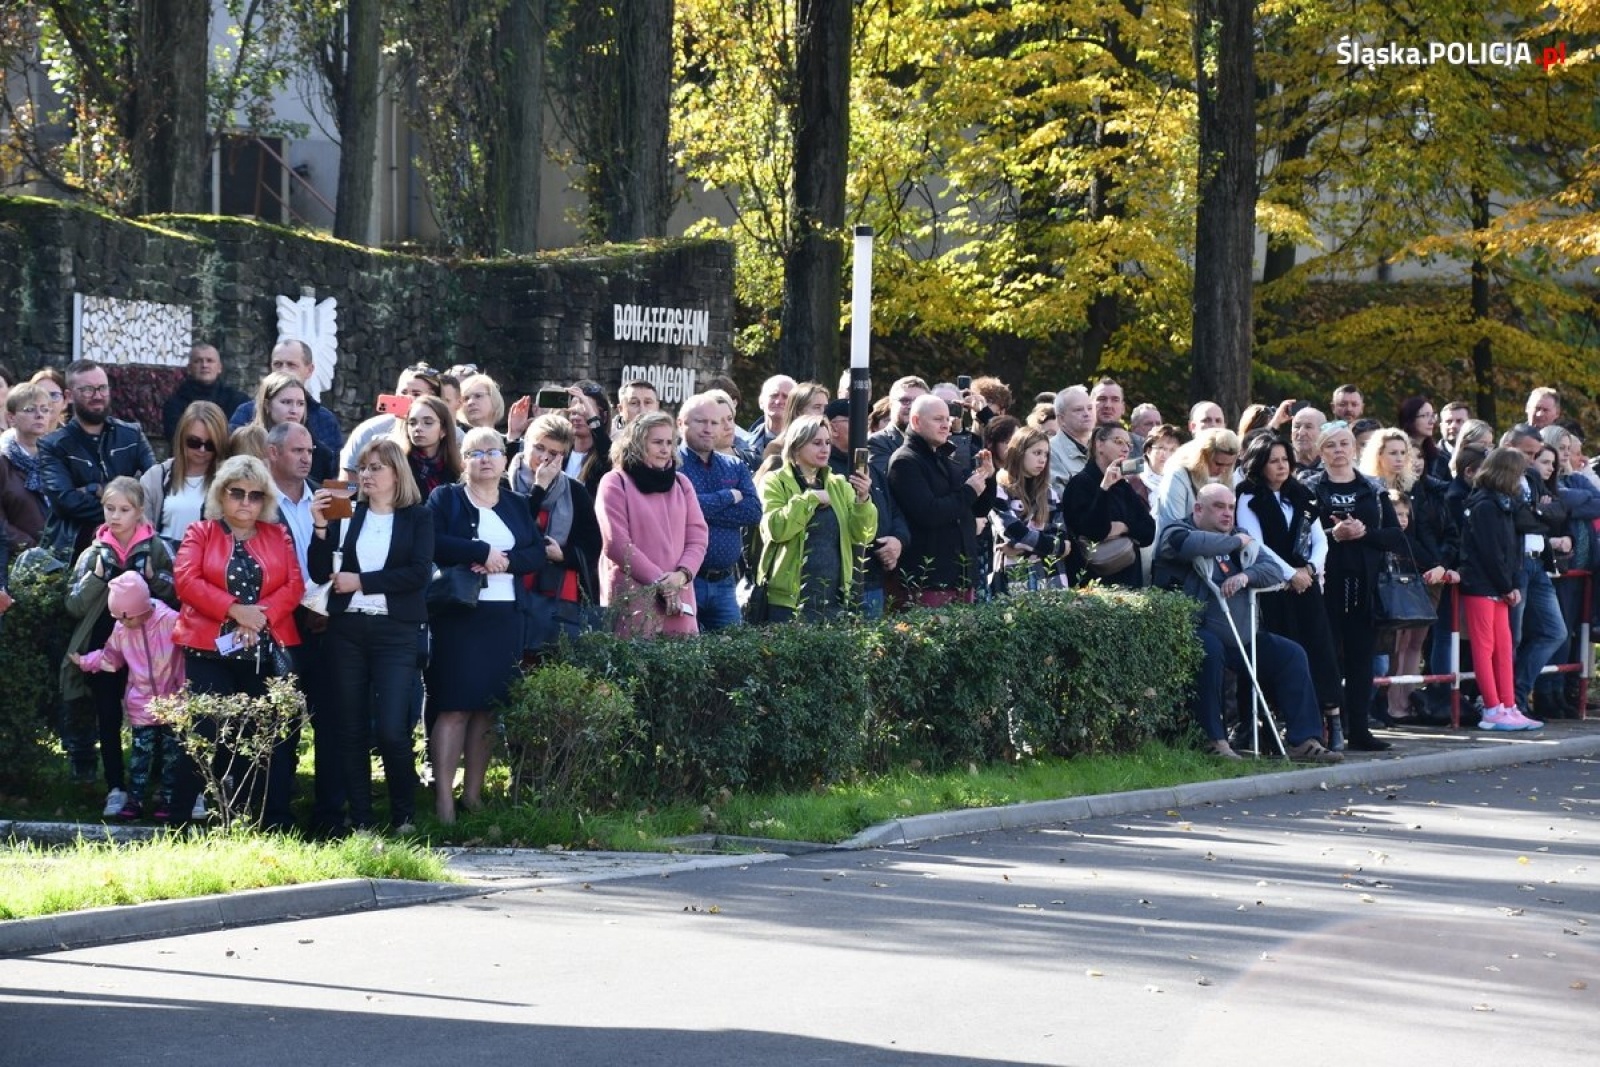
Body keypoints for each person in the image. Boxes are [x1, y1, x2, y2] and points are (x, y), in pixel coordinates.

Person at [1152, 483, 1343, 763]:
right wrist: (1238, 543)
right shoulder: (1177, 531)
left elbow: (1271, 569)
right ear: (1198, 509)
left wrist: (1246, 576)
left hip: (1241, 634)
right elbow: (1193, 546)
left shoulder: (1239, 535)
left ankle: (1304, 741)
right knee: (1209, 651)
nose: (1228, 514)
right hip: (1196, 630)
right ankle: (1214, 740)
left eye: (1231, 507)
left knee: (1291, 654)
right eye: (1219, 507)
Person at [169, 455, 304, 827]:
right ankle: (180, 820)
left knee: (261, 734)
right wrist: (234, 610)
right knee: (206, 729)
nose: (246, 502)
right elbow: (186, 581)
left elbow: (294, 586)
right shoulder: (201, 532)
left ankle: (251, 820)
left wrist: (259, 617)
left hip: (264, 647)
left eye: (255, 495)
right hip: (209, 649)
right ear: (221, 494)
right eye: (237, 493)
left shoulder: (278, 535)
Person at [309, 439, 432, 833]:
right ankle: (361, 820)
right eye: (363, 467)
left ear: (397, 473)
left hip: (396, 632)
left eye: (376, 467)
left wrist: (361, 581)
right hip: (347, 631)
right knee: (351, 727)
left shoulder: (418, 517)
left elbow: (417, 574)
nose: (366, 475)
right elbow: (317, 571)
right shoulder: (348, 513)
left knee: (394, 730)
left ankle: (404, 816)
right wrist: (320, 527)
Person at [427, 426, 545, 824]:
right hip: (460, 617)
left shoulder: (514, 503)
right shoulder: (446, 498)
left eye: (493, 451)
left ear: (505, 459)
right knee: (454, 707)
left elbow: (535, 552)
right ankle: (444, 801)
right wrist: (481, 551)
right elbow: (434, 541)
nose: (485, 459)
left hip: (504, 617)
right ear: (463, 459)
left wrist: (506, 561)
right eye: (476, 453)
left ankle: (473, 797)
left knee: (488, 710)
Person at [63, 476, 176, 815]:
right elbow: (72, 605)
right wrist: (97, 578)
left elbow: (178, 592)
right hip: (105, 645)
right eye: (109, 508)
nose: (115, 516)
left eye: (124, 510)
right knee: (108, 716)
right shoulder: (92, 552)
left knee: (161, 720)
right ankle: (116, 786)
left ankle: (158, 790)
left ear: (140, 512)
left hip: (152, 651)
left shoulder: (157, 546)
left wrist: (155, 578)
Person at [1299, 421, 1408, 751]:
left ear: (1355, 448)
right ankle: (1328, 727)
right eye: (1331, 445)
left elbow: (1395, 536)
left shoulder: (1372, 488)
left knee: (1362, 659)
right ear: (1321, 451)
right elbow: (1299, 535)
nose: (1339, 451)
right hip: (1324, 584)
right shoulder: (1310, 487)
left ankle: (1359, 727)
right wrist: (1334, 535)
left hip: (1365, 584)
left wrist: (1364, 533)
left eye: (1344, 443)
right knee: (1325, 655)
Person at [1235, 434, 1345, 747]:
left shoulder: (1301, 494)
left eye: (1285, 460)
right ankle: (1273, 725)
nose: (1281, 466)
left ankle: (1333, 723)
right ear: (1260, 464)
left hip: (1305, 584)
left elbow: (1319, 539)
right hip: (1271, 588)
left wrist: (1309, 569)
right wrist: (1288, 574)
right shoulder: (1248, 497)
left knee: (1320, 651)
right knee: (1283, 652)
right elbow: (1256, 544)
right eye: (1274, 461)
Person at [68, 571, 184, 820]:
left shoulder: (171, 621)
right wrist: (86, 661)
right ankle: (136, 800)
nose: (125, 623)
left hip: (174, 701)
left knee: (172, 756)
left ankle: (169, 799)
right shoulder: (121, 629)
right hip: (141, 704)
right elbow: (111, 657)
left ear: (143, 609)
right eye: (119, 618)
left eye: (129, 618)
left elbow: (189, 652)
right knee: (140, 757)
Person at [596, 412, 709, 635]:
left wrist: (682, 575)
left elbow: (698, 536)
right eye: (657, 442)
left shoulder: (681, 483)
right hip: (635, 596)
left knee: (683, 665)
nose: (665, 449)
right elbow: (615, 543)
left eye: (670, 442)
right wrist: (660, 581)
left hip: (679, 594)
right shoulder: (615, 482)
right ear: (637, 443)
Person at [756, 414, 877, 622]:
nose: (825, 449)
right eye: (817, 443)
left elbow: (863, 536)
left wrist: (863, 499)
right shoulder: (774, 481)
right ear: (796, 445)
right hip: (788, 601)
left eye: (828, 443)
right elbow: (775, 529)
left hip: (834, 599)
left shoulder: (838, 484)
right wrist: (810, 499)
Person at [39, 359, 157, 561]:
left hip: (132, 550)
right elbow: (66, 502)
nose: (98, 396)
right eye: (87, 390)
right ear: (69, 396)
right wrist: (127, 507)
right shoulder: (53, 445)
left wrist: (93, 489)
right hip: (73, 553)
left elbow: (153, 487)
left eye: (102, 388)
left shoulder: (132, 435)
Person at [1460, 448, 1543, 730]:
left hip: (1500, 586)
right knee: (1485, 649)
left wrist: (1514, 583)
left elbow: (1511, 549)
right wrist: (1507, 585)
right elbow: (1490, 551)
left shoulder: (1504, 504)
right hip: (1482, 586)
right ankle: (1492, 708)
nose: (1522, 480)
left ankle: (1509, 705)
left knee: (1504, 648)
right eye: (1519, 473)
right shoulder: (1484, 504)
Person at [889, 394, 997, 606]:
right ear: (916, 422)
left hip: (962, 576)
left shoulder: (945, 457)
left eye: (947, 419)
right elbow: (929, 513)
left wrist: (987, 477)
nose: (946, 425)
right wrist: (969, 491)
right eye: (938, 419)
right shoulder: (905, 461)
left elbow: (978, 509)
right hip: (929, 579)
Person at [513, 414, 604, 651]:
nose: (543, 458)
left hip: (559, 589)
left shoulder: (574, 491)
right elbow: (518, 527)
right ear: (526, 444)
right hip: (513, 583)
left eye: (553, 454)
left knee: (553, 654)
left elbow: (593, 545)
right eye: (539, 448)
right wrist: (539, 488)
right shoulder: (503, 483)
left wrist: (563, 555)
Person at [676, 393, 761, 630]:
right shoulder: (671, 465)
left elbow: (753, 512)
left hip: (725, 582)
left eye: (714, 423)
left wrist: (699, 508)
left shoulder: (733, 465)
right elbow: (678, 510)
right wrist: (727, 497)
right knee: (685, 651)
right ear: (681, 423)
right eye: (700, 421)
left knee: (731, 654)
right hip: (684, 579)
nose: (708, 428)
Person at [1062, 423, 1155, 589]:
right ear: (1099, 444)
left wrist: (1124, 527)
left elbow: (1149, 532)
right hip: (1093, 583)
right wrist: (1103, 489)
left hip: (1129, 578)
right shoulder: (1080, 484)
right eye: (1119, 441)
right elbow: (1096, 531)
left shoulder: (1123, 486)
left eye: (1129, 444)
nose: (1126, 449)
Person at [989, 426, 1074, 593]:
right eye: (1037, 453)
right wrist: (1052, 546)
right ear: (1019, 452)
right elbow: (1012, 531)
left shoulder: (1050, 493)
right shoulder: (999, 488)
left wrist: (1019, 546)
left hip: (1051, 577)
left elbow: (1062, 538)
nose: (1043, 459)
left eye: (1046, 454)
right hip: (1013, 576)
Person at [140, 401, 230, 551]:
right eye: (194, 442)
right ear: (182, 438)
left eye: (210, 444)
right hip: (163, 564)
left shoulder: (229, 480)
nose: (202, 450)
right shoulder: (156, 477)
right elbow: (140, 532)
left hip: (207, 567)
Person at [228, 339, 344, 452]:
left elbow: (332, 467)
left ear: (309, 370)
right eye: (278, 364)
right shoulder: (246, 413)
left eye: (291, 365)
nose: (283, 370)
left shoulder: (324, 420)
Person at [338, 363, 445, 479]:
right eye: (403, 393)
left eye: (416, 394)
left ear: (435, 399)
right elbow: (347, 485)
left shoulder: (454, 434)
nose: (407, 398)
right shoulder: (369, 432)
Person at [1153, 428, 1241, 542]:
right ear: (1202, 456)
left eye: (1229, 465)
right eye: (1218, 463)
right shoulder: (1177, 476)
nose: (1223, 470)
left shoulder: (1227, 478)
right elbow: (1174, 531)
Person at [249, 372, 338, 483]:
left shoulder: (320, 454)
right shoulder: (247, 444)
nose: (294, 410)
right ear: (267, 405)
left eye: (300, 404)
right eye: (286, 402)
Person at [0, 383, 54, 553]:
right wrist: (32, 548)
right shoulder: (3, 461)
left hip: (61, 556)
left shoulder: (58, 458)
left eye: (45, 409)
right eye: (30, 409)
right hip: (15, 561)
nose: (39, 415)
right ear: (11, 418)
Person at [162, 344, 250, 442]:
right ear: (189, 368)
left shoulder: (238, 401)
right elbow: (176, 438)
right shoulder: (174, 404)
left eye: (209, 361)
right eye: (198, 361)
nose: (204, 365)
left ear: (219, 367)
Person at [396, 394, 463, 497]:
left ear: (443, 430)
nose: (418, 428)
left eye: (428, 422)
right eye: (412, 423)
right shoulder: (397, 465)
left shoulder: (457, 471)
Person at [867, 376, 929, 478]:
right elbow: (885, 482)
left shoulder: (935, 441)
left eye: (918, 402)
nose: (911, 406)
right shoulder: (877, 442)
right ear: (891, 405)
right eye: (905, 400)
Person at [1048, 386, 1095, 494]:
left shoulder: (1104, 446)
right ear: (1061, 419)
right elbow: (1063, 498)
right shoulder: (1050, 452)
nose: (1087, 414)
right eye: (1078, 409)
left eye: (1090, 408)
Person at [748, 374, 797, 458]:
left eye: (786, 397)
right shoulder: (744, 444)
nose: (778, 401)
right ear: (761, 402)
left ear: (795, 405)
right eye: (773, 395)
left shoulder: (806, 445)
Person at [1289, 406, 1325, 471]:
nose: (1301, 433)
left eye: (1308, 427)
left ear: (1322, 433)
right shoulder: (1281, 464)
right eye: (1297, 427)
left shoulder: (1334, 465)